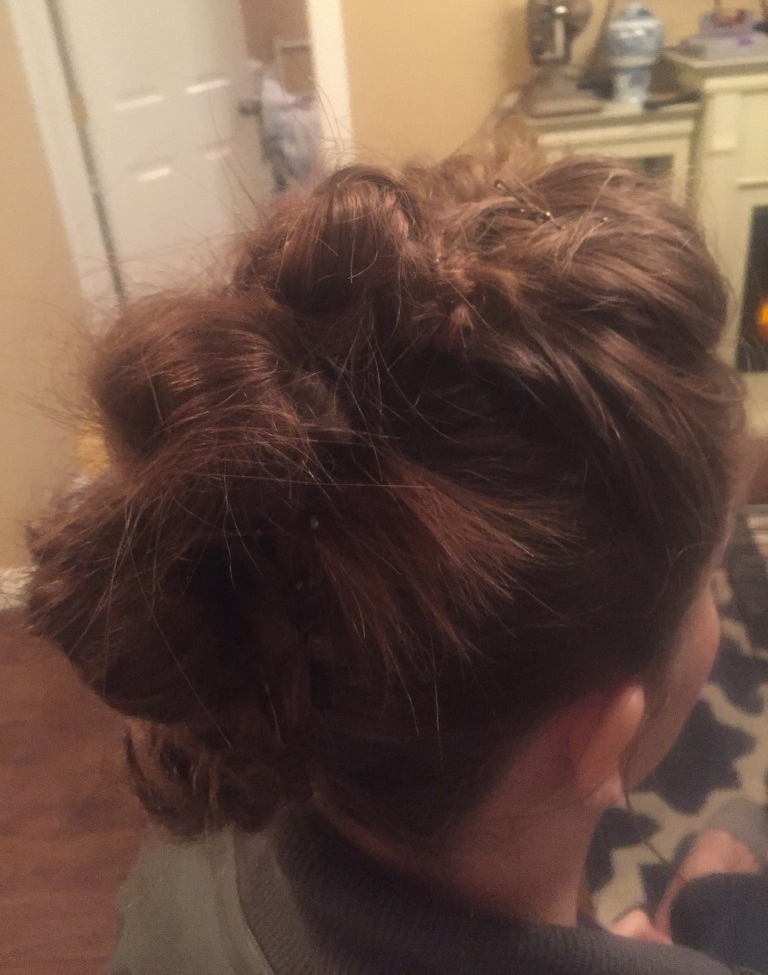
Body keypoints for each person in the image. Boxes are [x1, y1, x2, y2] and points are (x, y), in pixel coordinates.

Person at [26, 151, 753, 974]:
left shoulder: (203, 833)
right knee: (725, 892)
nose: (714, 613)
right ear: (598, 741)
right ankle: (711, 883)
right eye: (707, 583)